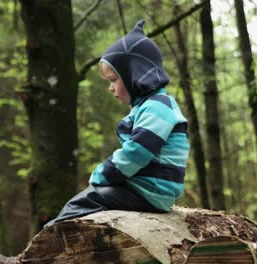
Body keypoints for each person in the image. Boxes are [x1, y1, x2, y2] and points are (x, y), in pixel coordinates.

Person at [43, 19, 190, 228]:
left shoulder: (159, 107)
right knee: (91, 202)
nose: (111, 88)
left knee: (86, 200)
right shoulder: (152, 106)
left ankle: (39, 252)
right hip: (148, 190)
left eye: (114, 79)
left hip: (149, 191)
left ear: (136, 74)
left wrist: (103, 174)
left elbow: (136, 152)